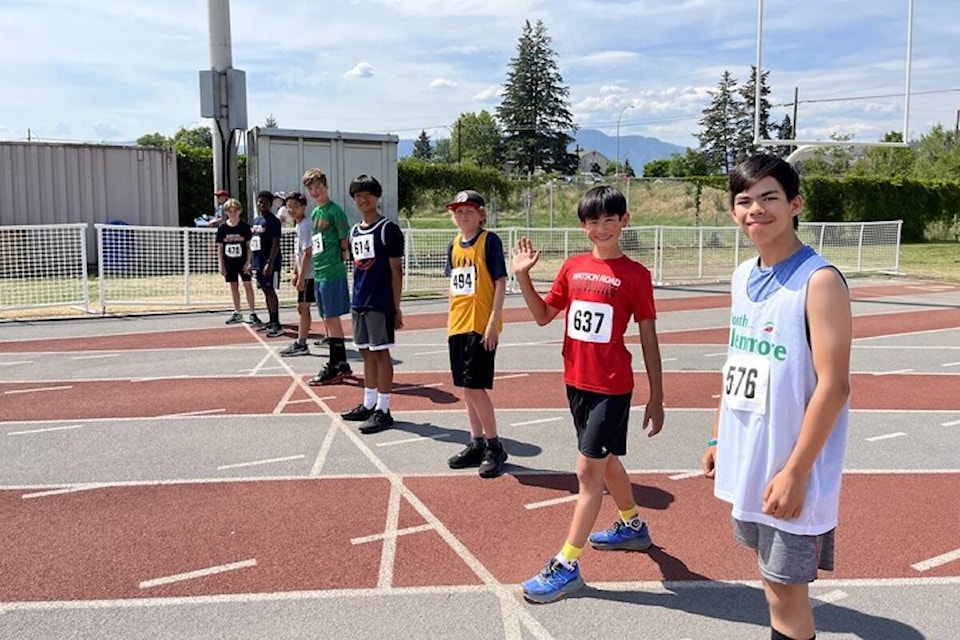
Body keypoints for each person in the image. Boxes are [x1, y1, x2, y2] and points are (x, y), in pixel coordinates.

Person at [701, 155, 851, 640]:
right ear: (733, 212)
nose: (755, 210)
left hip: (792, 468)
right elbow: (736, 361)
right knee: (770, 582)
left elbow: (834, 385)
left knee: (786, 593)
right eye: (744, 201)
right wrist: (720, 437)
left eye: (769, 198)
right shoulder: (742, 275)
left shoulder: (819, 280)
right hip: (750, 461)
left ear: (794, 204)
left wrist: (796, 471)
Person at [511, 185, 664, 604]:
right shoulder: (573, 268)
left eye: (609, 220)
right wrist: (523, 276)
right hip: (576, 384)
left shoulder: (636, 275)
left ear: (624, 221)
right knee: (606, 459)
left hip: (612, 387)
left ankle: (567, 564)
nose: (601, 228)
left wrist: (657, 395)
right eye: (592, 221)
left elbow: (648, 337)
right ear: (584, 227)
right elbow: (544, 316)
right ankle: (632, 526)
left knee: (587, 472)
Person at [443, 190, 509, 478]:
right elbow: (456, 287)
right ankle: (476, 442)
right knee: (464, 388)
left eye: (469, 210)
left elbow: (500, 281)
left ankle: (495, 446)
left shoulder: (489, 241)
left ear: (481, 213)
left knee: (474, 387)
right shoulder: (454, 245)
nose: (463, 215)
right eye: (458, 211)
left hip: (481, 325)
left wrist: (494, 320)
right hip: (457, 324)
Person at [339, 174, 404, 434]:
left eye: (367, 194)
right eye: (357, 195)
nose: (362, 199)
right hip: (359, 301)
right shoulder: (354, 231)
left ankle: (384, 409)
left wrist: (395, 306)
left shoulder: (388, 229)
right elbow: (357, 267)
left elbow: (396, 270)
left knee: (381, 352)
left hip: (380, 302)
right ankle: (368, 403)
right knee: (365, 352)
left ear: (377, 197)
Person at [301, 168, 353, 384]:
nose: (315, 192)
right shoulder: (315, 213)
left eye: (318, 187)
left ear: (326, 187)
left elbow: (343, 240)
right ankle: (340, 363)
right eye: (311, 189)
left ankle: (336, 363)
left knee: (332, 318)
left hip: (332, 271)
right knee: (326, 318)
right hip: (320, 270)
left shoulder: (335, 211)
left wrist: (342, 258)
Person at [215, 198, 260, 325]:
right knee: (233, 287)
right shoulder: (223, 228)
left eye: (235, 210)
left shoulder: (244, 227)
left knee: (248, 286)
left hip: (243, 262)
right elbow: (220, 247)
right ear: (226, 212)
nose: (233, 213)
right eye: (230, 211)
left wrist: (249, 262)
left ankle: (252, 312)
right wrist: (221, 264)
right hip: (229, 262)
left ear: (239, 211)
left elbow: (249, 246)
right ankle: (237, 311)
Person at [279, 192, 314, 356]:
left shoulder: (306, 225)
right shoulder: (299, 225)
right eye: (289, 206)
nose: (291, 209)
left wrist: (301, 277)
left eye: (295, 206)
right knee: (302, 307)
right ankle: (302, 340)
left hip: (309, 274)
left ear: (303, 207)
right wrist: (294, 271)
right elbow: (297, 253)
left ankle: (302, 343)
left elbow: (307, 252)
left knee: (303, 307)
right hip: (303, 273)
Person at [250, 189, 284, 337]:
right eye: (259, 201)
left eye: (264, 202)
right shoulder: (256, 221)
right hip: (258, 260)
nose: (261, 204)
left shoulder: (273, 221)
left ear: (270, 204)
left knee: (270, 290)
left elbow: (276, 242)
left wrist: (270, 262)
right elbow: (253, 242)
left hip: (269, 262)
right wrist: (252, 261)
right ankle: (270, 320)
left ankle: (276, 322)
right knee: (264, 289)